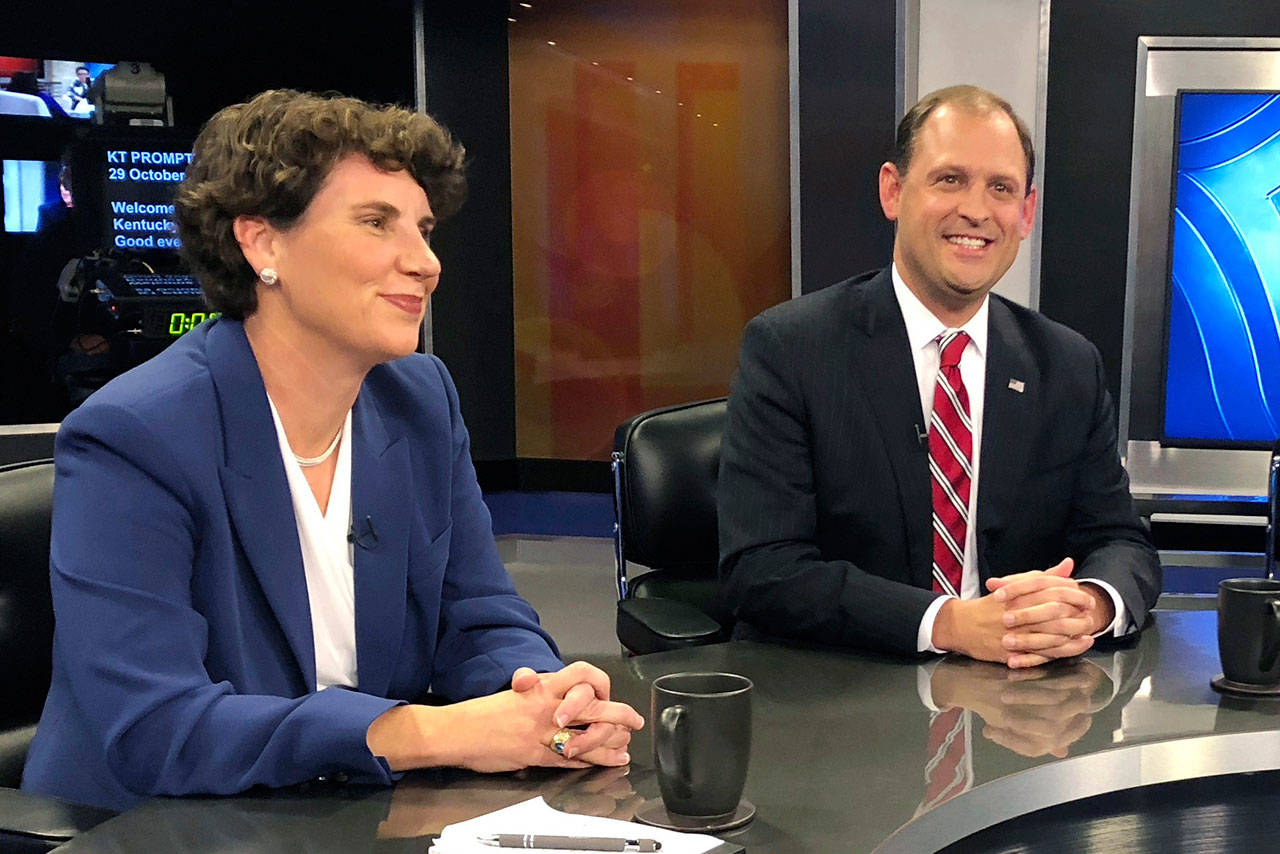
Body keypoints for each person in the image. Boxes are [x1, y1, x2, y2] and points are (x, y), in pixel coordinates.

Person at [22, 89, 643, 812]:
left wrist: (542, 700)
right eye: (377, 223)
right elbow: (160, 728)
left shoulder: (420, 400)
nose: (426, 262)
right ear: (262, 244)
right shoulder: (136, 435)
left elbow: (479, 616)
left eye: (425, 228)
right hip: (154, 824)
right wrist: (427, 733)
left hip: (346, 807)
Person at [717, 85, 1160, 668]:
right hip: (840, 691)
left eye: (1000, 188)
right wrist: (948, 624)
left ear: (1025, 214)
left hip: (1018, 706)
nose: (976, 210)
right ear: (892, 191)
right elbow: (763, 569)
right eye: (950, 179)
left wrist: (1087, 604)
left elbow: (1122, 541)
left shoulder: (1067, 365)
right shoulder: (792, 349)